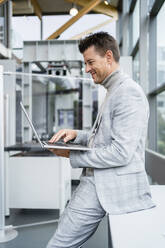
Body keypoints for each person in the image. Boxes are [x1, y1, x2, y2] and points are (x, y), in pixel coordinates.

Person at [46, 32, 155, 248]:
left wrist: (71, 153)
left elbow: (120, 152)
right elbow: (105, 137)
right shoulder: (113, 90)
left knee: (59, 244)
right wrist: (78, 134)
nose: (87, 69)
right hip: (97, 179)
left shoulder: (128, 93)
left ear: (108, 56)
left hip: (106, 183)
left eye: (90, 62)